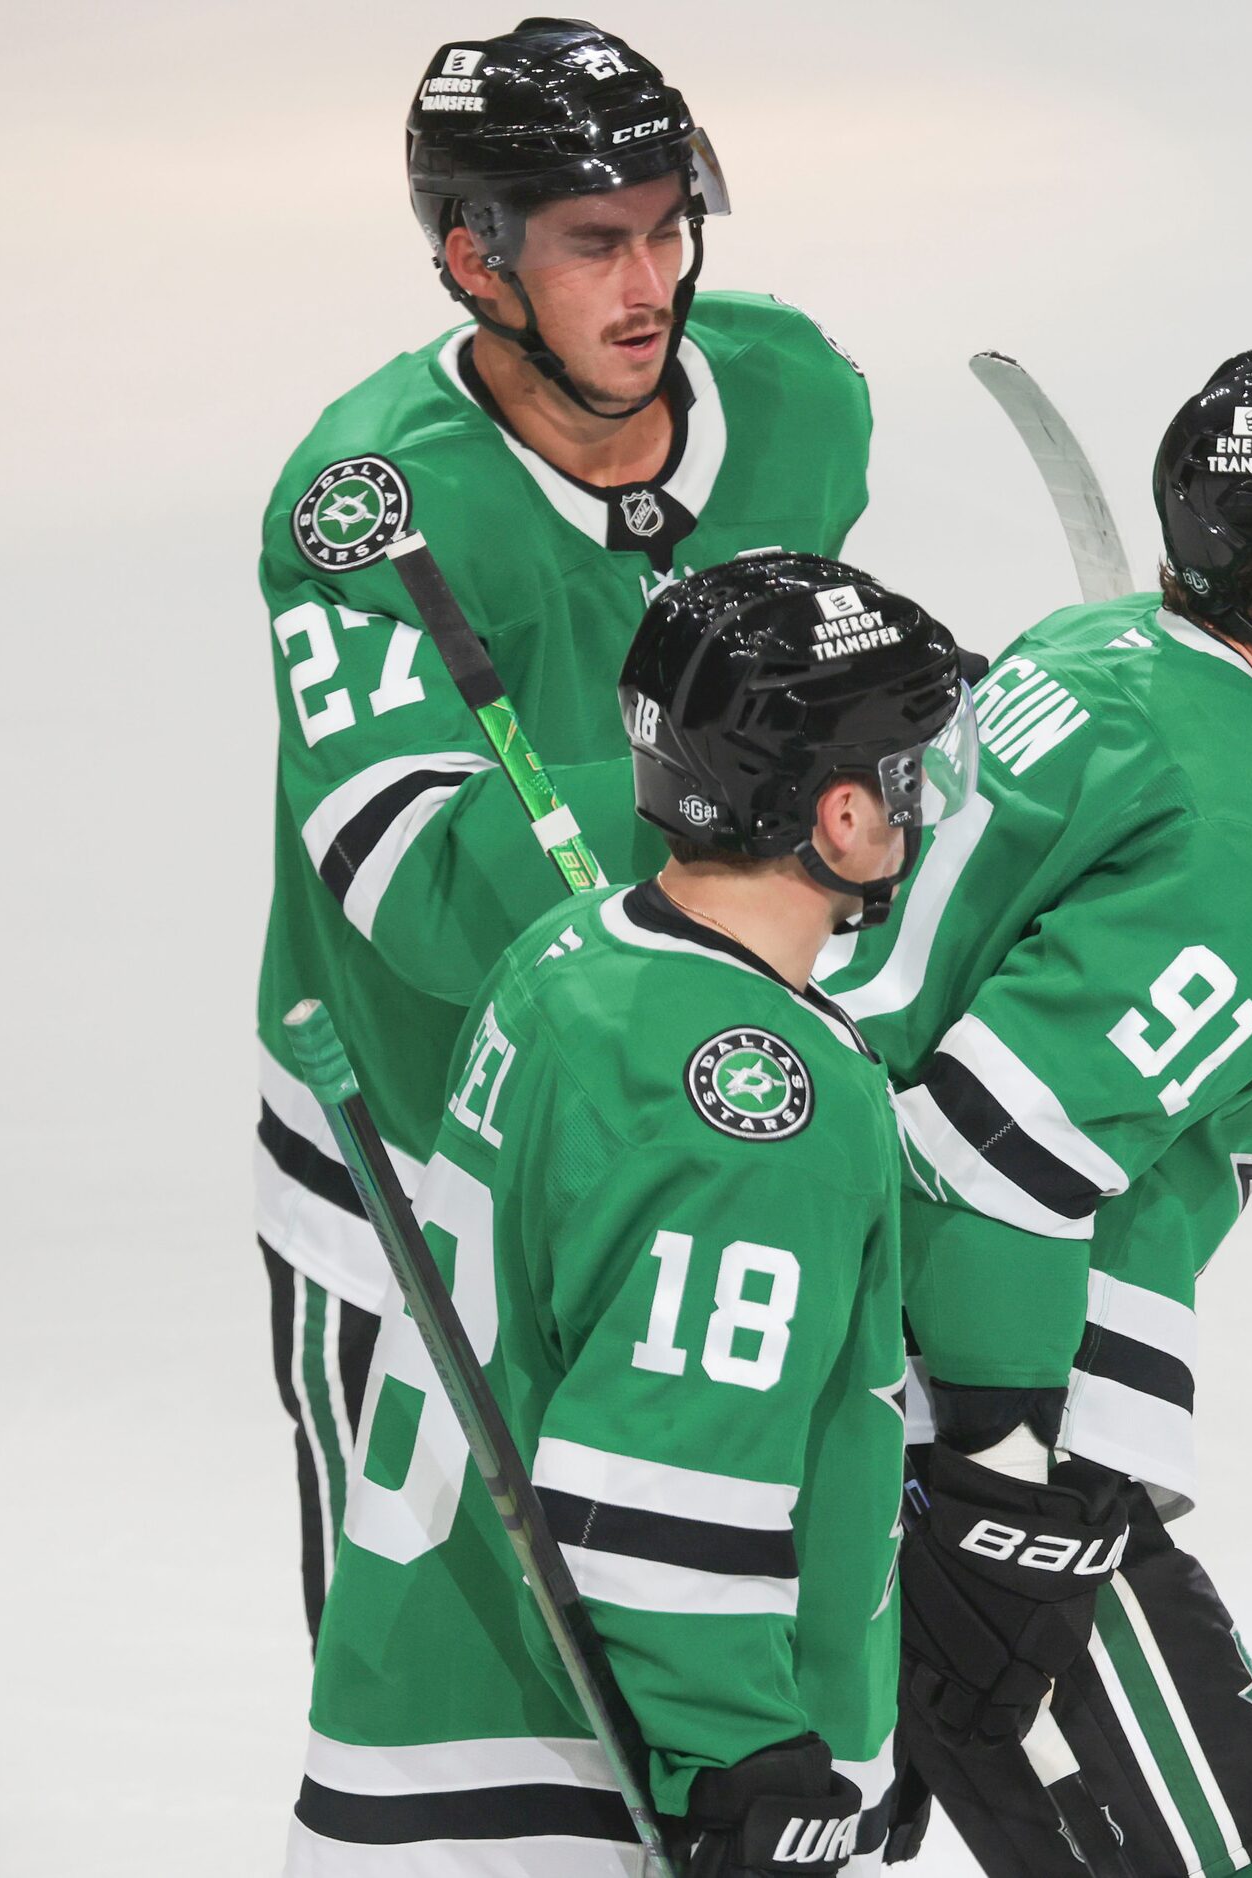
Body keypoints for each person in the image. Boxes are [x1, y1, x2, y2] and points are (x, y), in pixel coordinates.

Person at [812, 342, 1252, 1876]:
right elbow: (991, 1165)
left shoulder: (1090, 651)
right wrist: (1001, 1482)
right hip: (947, 1405)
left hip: (793, 1331)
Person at [253, 16, 873, 1642]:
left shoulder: (798, 401)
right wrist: (746, 768)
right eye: (597, 242)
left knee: (731, 1664)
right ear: (473, 256)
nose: (649, 277)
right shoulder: (370, 507)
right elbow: (429, 903)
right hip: (423, 1152)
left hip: (703, 1132)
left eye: (671, 225)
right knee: (438, 1676)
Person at [288, 554, 974, 1877]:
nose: (930, 800)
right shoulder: (756, 1106)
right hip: (561, 1795)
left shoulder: (576, 951)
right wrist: (751, 1757)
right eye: (910, 770)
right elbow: (656, 1479)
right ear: (838, 819)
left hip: (424, 1711)